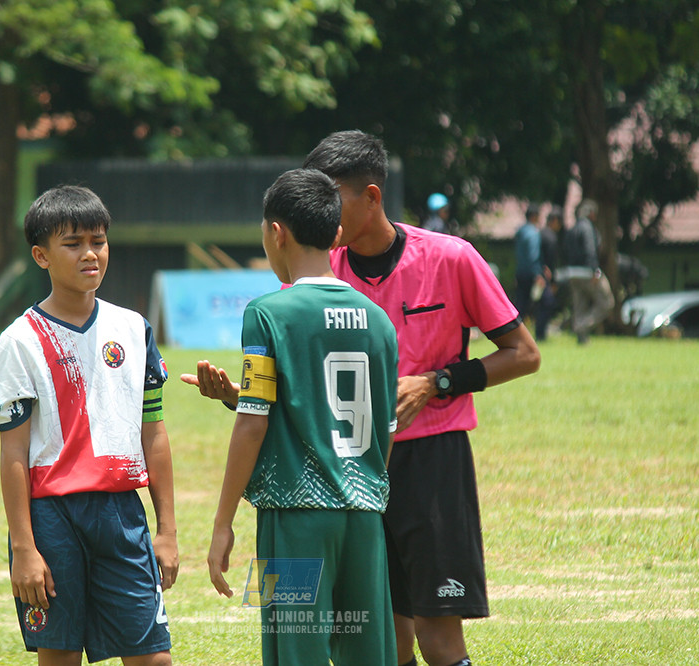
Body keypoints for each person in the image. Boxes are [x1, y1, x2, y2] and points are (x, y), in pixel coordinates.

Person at [186, 130, 541, 666]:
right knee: (379, 640)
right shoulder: (348, 299)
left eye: (332, 194)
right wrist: (243, 397)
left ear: (371, 197)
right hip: (360, 479)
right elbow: (297, 399)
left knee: (432, 635)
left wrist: (436, 382)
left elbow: (525, 353)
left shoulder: (450, 257)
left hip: (420, 466)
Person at [206, 168, 400, 665]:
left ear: (276, 232)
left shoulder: (268, 313)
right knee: (367, 656)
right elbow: (388, 429)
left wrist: (223, 523)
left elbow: (254, 421)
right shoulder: (378, 320)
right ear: (336, 234)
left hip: (293, 519)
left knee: (294, 653)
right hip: (364, 520)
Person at [0, 185, 177, 666]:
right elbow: (13, 455)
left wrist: (167, 531)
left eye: (99, 240)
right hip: (53, 519)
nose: (90, 254)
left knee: (153, 658)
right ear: (41, 255)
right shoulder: (19, 342)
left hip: (121, 514)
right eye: (72, 244)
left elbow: (152, 431)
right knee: (60, 657)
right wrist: (24, 548)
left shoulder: (134, 329)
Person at [563, 198, 614, 344]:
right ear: (591, 213)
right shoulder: (587, 228)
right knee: (607, 302)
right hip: (587, 272)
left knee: (580, 305)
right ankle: (582, 326)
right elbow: (590, 249)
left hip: (572, 272)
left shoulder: (572, 229)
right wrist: (595, 271)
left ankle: (582, 339)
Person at [534, 209, 563, 341]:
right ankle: (540, 333)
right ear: (554, 221)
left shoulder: (540, 233)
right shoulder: (550, 237)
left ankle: (539, 332)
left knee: (538, 303)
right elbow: (551, 261)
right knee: (547, 302)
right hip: (544, 275)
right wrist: (554, 282)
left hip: (536, 272)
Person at [513, 203, 543, 322]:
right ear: (534, 216)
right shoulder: (533, 233)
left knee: (520, 302)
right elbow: (533, 255)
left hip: (520, 270)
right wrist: (537, 273)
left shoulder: (520, 232)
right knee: (537, 301)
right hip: (530, 272)